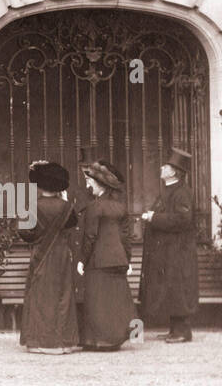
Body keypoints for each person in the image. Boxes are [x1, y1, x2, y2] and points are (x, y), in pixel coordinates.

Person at [18, 161, 80, 354]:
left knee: (40, 297)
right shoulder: (67, 207)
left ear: (40, 185)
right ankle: (63, 342)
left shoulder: (33, 207)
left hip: (41, 256)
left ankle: (40, 342)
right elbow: (73, 223)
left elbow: (25, 233)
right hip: (62, 255)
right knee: (63, 296)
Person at [139, 147, 200, 344]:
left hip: (179, 252)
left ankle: (183, 331)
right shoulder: (170, 191)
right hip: (170, 251)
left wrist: (153, 217)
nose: (161, 168)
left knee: (179, 289)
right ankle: (175, 329)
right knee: (172, 289)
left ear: (174, 171)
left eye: (165, 166)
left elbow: (182, 219)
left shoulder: (182, 192)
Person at [77, 160, 136, 351]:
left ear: (98, 185)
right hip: (118, 259)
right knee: (118, 300)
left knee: (98, 302)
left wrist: (82, 260)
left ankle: (99, 341)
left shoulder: (95, 207)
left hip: (98, 260)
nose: (88, 186)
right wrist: (128, 260)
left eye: (90, 183)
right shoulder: (120, 207)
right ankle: (122, 338)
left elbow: (90, 236)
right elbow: (126, 237)